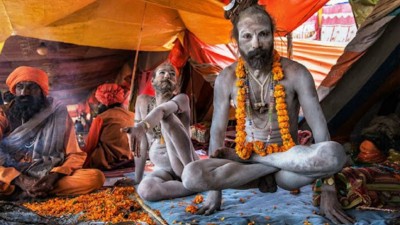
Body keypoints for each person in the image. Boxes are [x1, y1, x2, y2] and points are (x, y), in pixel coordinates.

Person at [180, 1, 351, 224]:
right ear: (237, 40)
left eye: (263, 34)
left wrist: (328, 191)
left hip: (289, 165)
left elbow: (321, 132)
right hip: (244, 167)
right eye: (247, 36)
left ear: (273, 34)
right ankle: (260, 163)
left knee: (333, 154)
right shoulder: (227, 78)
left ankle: (260, 158)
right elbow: (217, 132)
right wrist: (215, 191)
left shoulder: (296, 73)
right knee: (191, 176)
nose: (256, 44)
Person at [0, 66, 105, 200]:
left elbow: (75, 154)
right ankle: (29, 192)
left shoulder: (57, 114)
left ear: (42, 92)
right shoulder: (4, 114)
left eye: (31, 87)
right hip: (11, 178)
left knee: (95, 177)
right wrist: (20, 180)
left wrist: (54, 176)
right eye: (20, 87)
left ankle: (30, 193)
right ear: (14, 91)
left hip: (46, 174)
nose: (24, 92)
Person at [121, 62, 199, 201]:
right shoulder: (142, 101)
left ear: (176, 83)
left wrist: (142, 126)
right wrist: (137, 179)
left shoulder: (182, 99)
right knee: (146, 190)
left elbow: (162, 111)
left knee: (166, 118)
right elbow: (142, 145)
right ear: (152, 81)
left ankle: (192, 178)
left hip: (183, 164)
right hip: (163, 169)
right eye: (162, 73)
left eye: (172, 74)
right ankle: (195, 185)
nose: (167, 75)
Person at [83, 83, 135, 170]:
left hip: (108, 164)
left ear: (103, 102)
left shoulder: (101, 118)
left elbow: (90, 146)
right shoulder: (133, 115)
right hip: (132, 160)